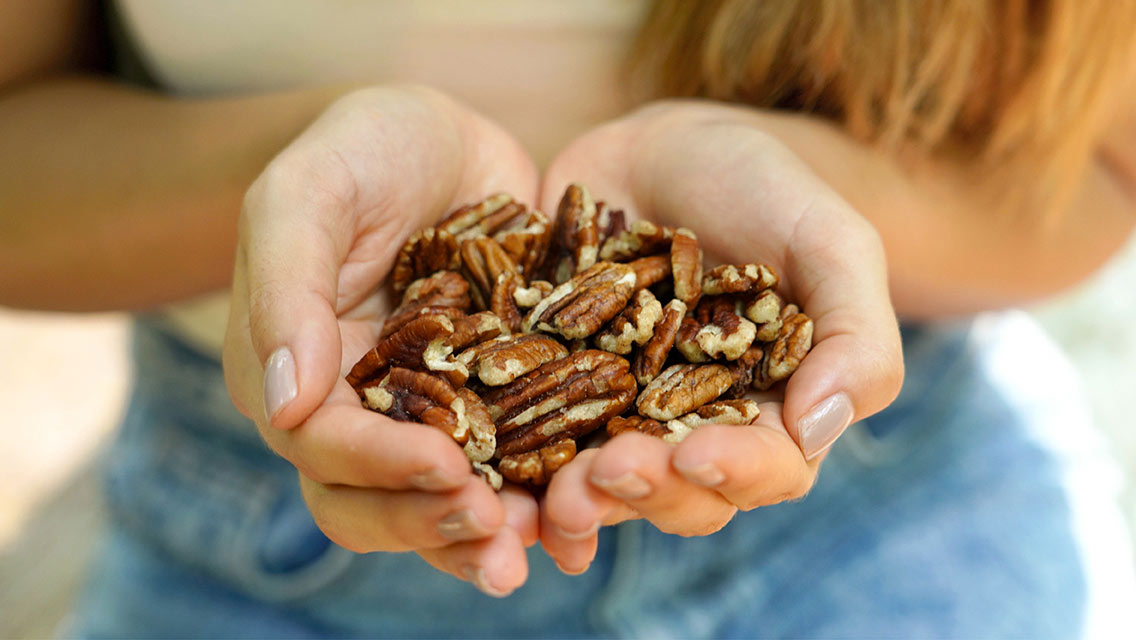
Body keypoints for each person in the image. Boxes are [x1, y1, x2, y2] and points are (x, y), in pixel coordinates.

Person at [3, 0, 1135, 637]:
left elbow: (1099, 168)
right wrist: (291, 182)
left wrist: (796, 191)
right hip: (265, 537)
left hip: (877, 503)